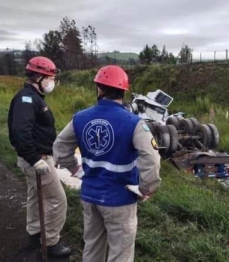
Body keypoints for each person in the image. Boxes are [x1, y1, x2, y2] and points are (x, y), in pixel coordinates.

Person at [53, 65, 161, 262]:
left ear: (99, 89)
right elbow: (151, 159)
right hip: (120, 200)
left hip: (90, 195)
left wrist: (75, 169)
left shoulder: (80, 118)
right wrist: (146, 188)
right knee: (120, 253)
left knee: (92, 246)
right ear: (123, 91)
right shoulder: (134, 123)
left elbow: (59, 148)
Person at [7, 56, 71, 258]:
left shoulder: (33, 98)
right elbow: (19, 132)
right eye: (50, 78)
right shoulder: (26, 99)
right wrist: (35, 159)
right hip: (37, 159)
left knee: (35, 197)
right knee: (57, 200)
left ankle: (34, 233)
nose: (52, 82)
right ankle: (51, 243)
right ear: (39, 77)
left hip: (37, 157)